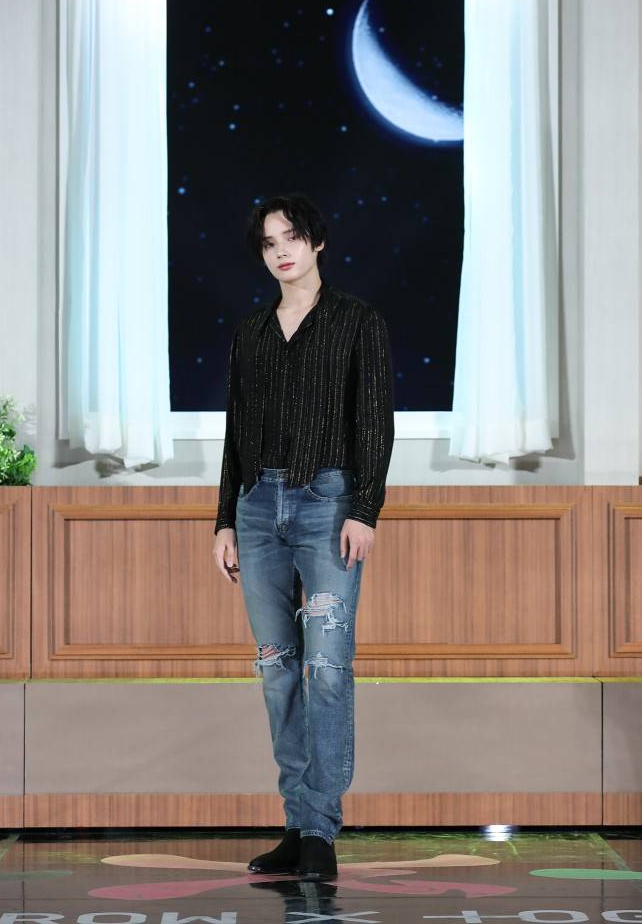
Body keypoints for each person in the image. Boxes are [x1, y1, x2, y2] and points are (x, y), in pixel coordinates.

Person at [212, 192, 394, 882]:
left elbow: (374, 421)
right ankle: (296, 822)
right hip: (258, 509)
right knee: (277, 669)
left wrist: (364, 509)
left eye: (291, 237)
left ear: (316, 242)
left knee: (327, 667)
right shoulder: (251, 334)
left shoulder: (357, 322)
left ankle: (320, 828)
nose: (281, 250)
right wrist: (225, 519)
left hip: (328, 504)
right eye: (269, 242)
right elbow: (235, 433)